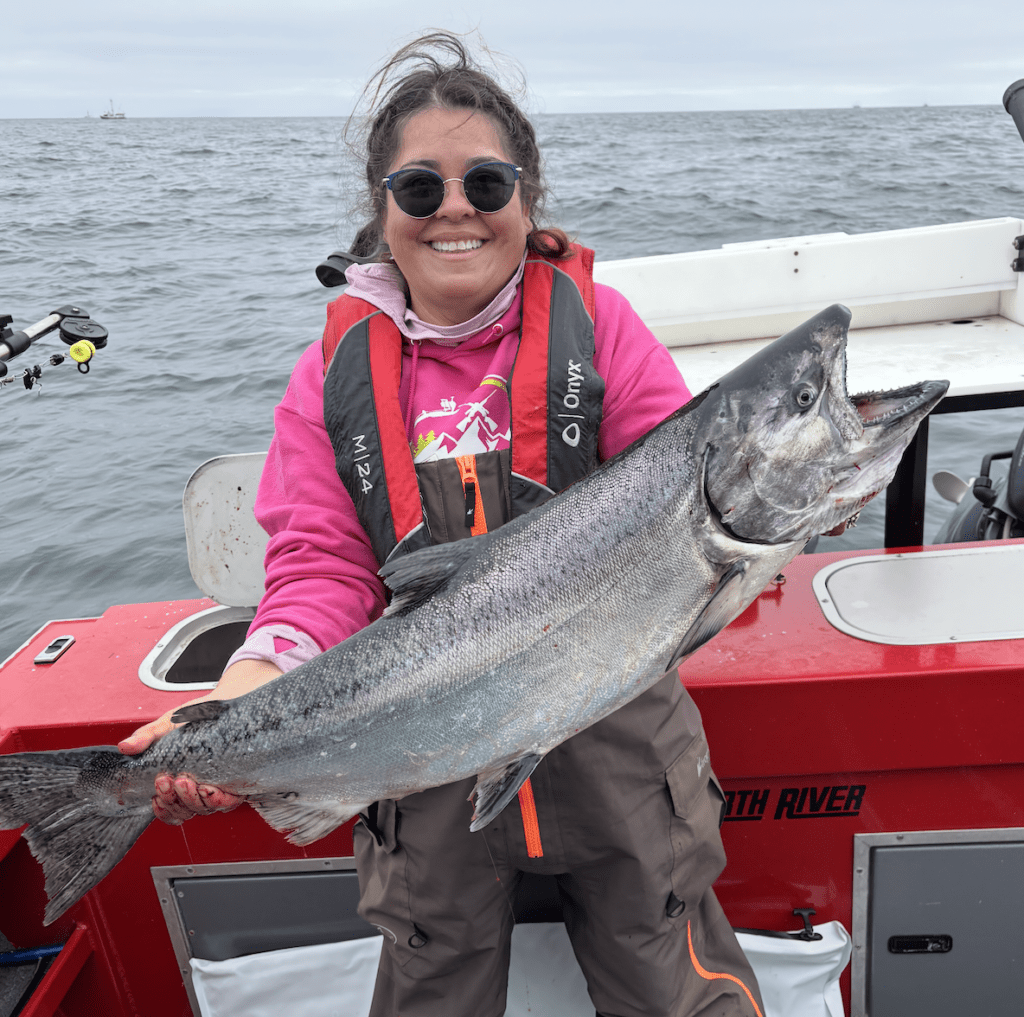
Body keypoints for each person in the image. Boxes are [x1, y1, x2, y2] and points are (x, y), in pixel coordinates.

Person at [119, 32, 766, 1017]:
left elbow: (685, 515)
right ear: (383, 208)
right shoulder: (331, 378)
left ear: (526, 199)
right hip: (414, 763)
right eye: (420, 189)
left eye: (486, 183)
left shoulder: (605, 333)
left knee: (671, 981)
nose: (455, 208)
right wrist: (239, 700)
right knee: (432, 991)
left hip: (623, 756)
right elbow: (321, 567)